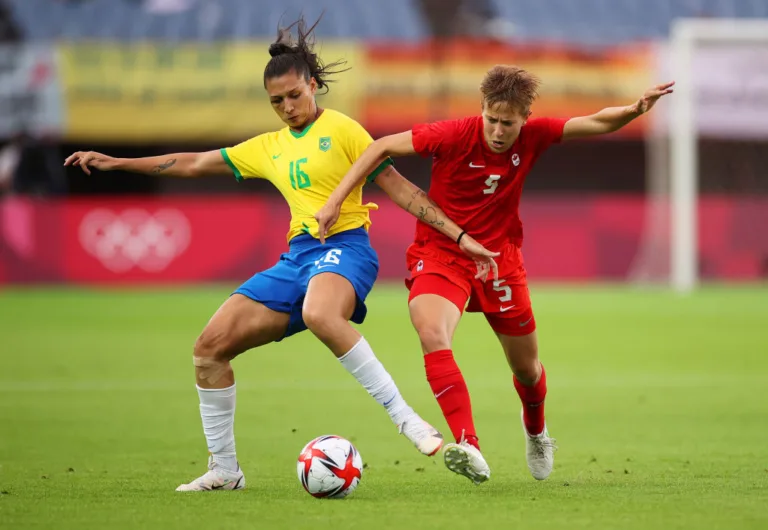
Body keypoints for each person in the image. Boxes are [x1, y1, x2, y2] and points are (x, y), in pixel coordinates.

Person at [64, 16, 499, 492]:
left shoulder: (344, 129)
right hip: (296, 260)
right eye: (277, 101)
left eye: (295, 95)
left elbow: (401, 188)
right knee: (209, 350)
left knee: (319, 312)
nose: (288, 107)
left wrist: (459, 237)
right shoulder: (268, 147)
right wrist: (115, 161)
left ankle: (408, 420)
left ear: (313, 86)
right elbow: (193, 163)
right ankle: (225, 471)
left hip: (346, 250)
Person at [316, 65, 674, 484]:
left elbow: (594, 121)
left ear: (525, 119)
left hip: (500, 260)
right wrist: (338, 199)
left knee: (528, 370)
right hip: (441, 253)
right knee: (432, 332)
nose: (499, 131)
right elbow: (379, 148)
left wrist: (634, 109)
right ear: (482, 110)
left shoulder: (535, 136)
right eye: (492, 119)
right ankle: (468, 443)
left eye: (508, 123)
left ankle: (537, 431)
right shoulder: (450, 134)